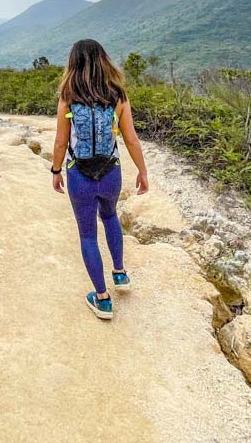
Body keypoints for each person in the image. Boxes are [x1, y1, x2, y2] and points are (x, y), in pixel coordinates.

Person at [50, 39, 149, 320]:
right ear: (104, 60)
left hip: (79, 174)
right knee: (110, 216)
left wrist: (56, 171)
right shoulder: (118, 94)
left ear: (73, 63)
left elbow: (60, 142)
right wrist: (142, 171)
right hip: (111, 172)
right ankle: (120, 273)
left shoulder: (69, 95)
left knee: (87, 234)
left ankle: (103, 300)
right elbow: (130, 138)